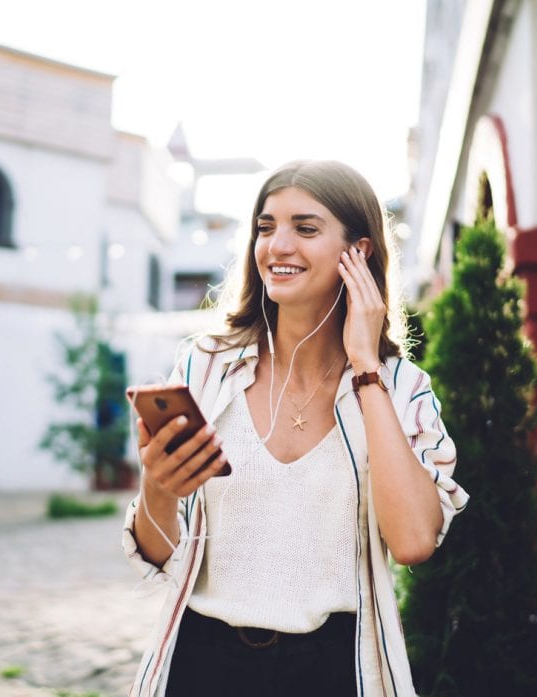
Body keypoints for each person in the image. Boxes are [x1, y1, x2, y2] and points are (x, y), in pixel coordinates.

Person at [122, 160, 468, 697]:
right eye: (266, 227)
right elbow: (160, 553)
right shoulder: (205, 368)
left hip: (333, 667)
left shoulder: (401, 388)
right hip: (201, 663)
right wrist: (158, 487)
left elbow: (414, 541)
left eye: (305, 228)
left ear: (359, 252)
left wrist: (364, 366)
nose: (277, 245)